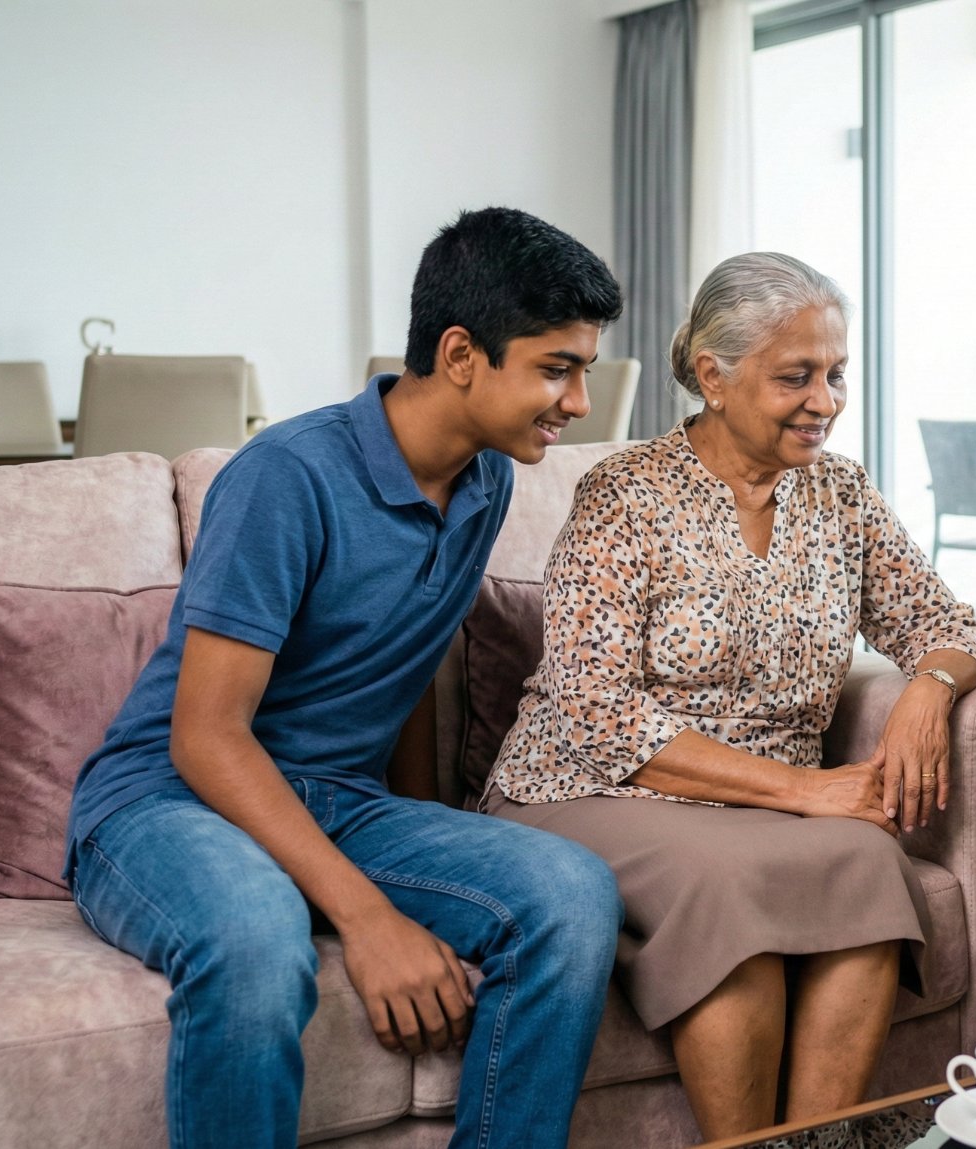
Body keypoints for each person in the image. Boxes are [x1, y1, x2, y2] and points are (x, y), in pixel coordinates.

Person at [65, 207, 626, 1149]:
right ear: (460, 355)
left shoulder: (488, 479)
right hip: (168, 800)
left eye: (584, 372)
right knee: (252, 939)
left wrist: (428, 849)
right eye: (556, 367)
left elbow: (403, 662)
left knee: (571, 895)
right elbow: (204, 736)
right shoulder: (286, 475)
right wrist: (370, 917)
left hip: (338, 801)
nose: (577, 402)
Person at [485, 251, 976, 1140]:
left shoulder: (840, 493)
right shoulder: (624, 493)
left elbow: (946, 622)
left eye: (836, 374)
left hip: (761, 804)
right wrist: (805, 790)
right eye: (796, 377)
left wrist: (929, 689)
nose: (825, 402)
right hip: (589, 788)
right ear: (713, 377)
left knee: (869, 862)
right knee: (733, 883)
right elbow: (594, 710)